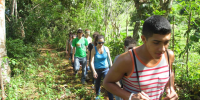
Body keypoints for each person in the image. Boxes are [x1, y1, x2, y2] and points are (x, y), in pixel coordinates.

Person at [103, 15, 178, 100]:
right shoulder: (127, 60)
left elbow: (170, 72)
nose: (162, 49)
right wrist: (131, 96)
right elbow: (107, 83)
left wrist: (170, 88)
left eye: (166, 42)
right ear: (144, 39)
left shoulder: (169, 56)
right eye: (156, 43)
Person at [90, 35, 113, 100]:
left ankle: (111, 98)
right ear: (96, 42)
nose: (101, 44)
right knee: (97, 84)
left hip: (106, 69)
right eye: (99, 43)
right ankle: (98, 96)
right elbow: (91, 62)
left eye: (103, 42)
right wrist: (94, 71)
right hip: (97, 70)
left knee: (108, 84)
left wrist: (111, 68)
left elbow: (109, 59)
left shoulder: (106, 48)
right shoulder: (93, 50)